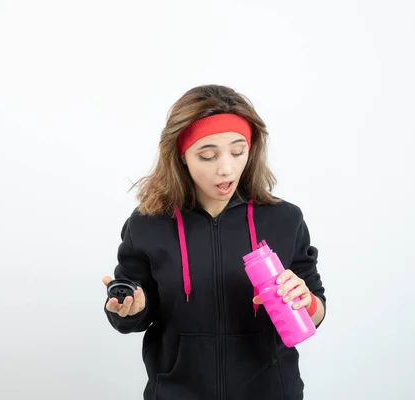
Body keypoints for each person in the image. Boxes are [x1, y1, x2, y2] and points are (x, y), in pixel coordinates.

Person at [102, 84, 326, 400]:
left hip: (271, 391)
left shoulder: (284, 219)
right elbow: (134, 314)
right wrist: (128, 310)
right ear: (181, 156)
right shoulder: (147, 224)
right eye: (207, 155)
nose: (226, 168)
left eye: (238, 151)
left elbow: (316, 309)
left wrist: (307, 301)